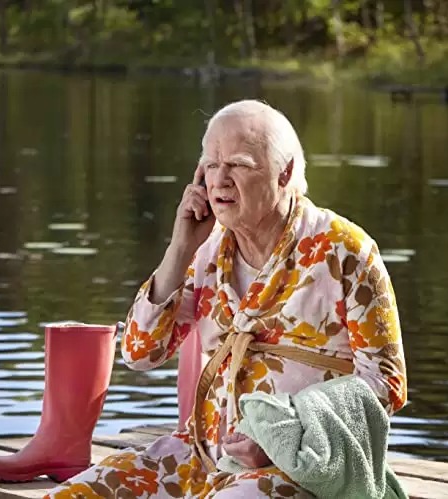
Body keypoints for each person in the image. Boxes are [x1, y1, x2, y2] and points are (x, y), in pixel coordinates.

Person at [45, 99, 407, 498]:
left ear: (284, 172)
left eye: (237, 164)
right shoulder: (206, 248)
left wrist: (282, 437)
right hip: (201, 456)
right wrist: (179, 249)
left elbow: (386, 383)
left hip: (301, 468)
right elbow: (138, 353)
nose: (219, 180)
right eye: (211, 165)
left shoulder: (346, 251)